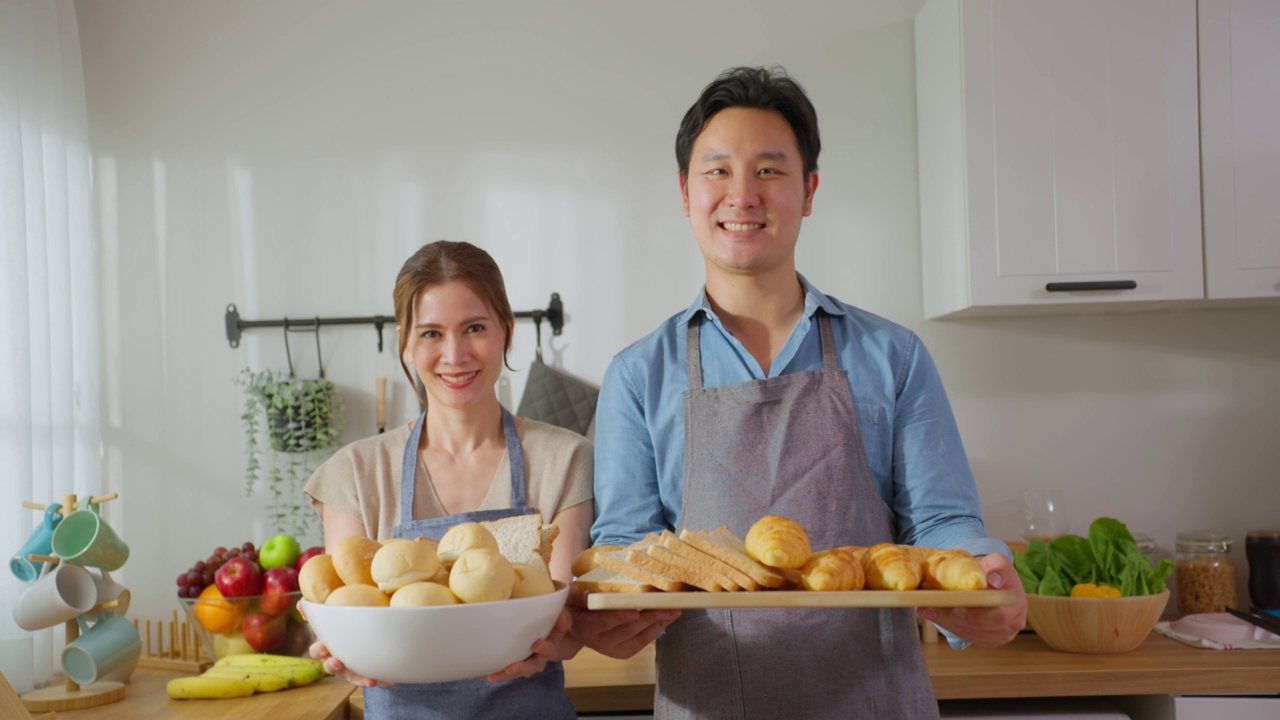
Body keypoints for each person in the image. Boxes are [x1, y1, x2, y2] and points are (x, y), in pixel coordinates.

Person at [571, 66, 1028, 719]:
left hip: (874, 703)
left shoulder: (893, 356)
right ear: (684, 193)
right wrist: (610, 611)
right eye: (718, 170)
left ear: (809, 190)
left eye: (769, 170)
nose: (742, 194)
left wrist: (985, 579)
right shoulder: (637, 374)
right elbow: (627, 544)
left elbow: (941, 525)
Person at [304, 240, 593, 720]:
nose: (455, 355)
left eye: (475, 328)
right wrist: (341, 649)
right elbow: (345, 606)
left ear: (507, 331)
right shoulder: (355, 472)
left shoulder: (564, 458)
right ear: (406, 343)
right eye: (431, 334)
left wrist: (557, 643)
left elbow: (562, 623)